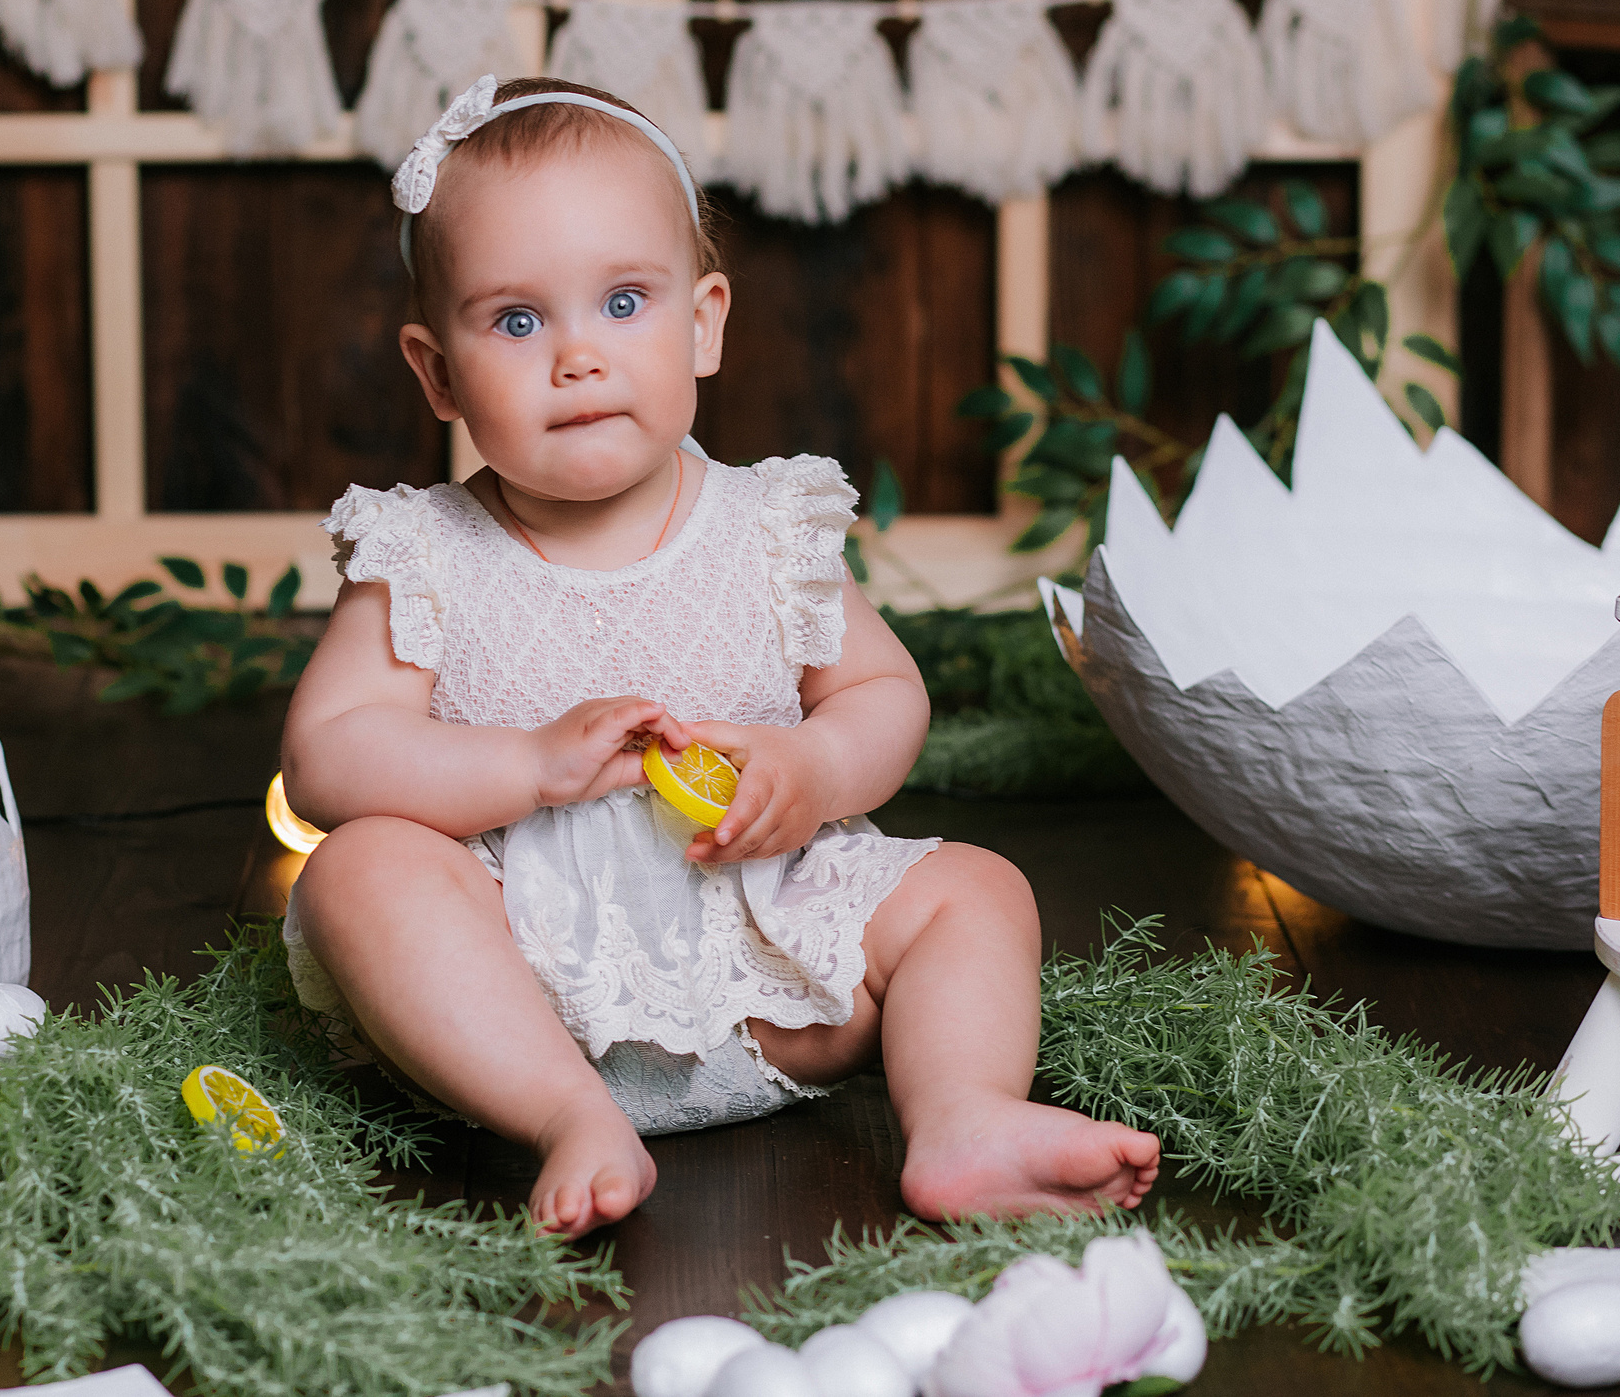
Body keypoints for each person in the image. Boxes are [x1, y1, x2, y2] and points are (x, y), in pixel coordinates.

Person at [279, 75, 1160, 1238]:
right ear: (436, 371)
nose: (577, 357)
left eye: (624, 301)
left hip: (774, 974)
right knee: (360, 870)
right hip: (520, 994)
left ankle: (960, 1116)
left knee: (974, 891)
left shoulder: (767, 525)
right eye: (516, 321)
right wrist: (527, 767)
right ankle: (569, 1121)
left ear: (704, 323)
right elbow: (329, 758)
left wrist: (818, 771)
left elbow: (882, 692)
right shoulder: (424, 552)